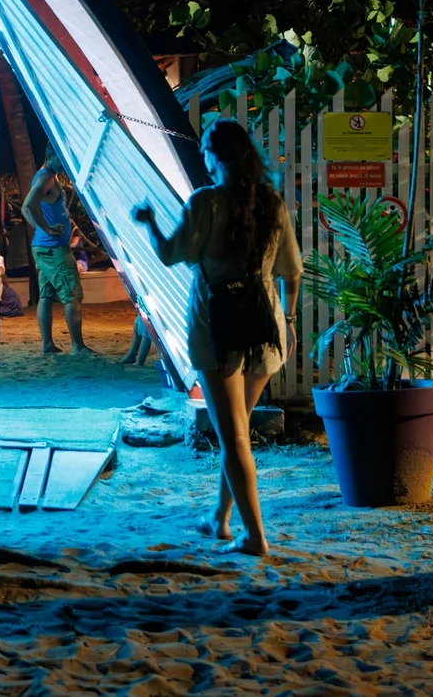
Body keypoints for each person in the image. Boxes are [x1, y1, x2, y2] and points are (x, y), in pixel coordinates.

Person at [133, 118, 301, 556]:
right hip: (264, 329)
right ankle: (221, 519)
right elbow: (293, 272)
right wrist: (291, 317)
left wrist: (150, 222)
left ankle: (255, 537)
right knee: (238, 429)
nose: (202, 159)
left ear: (214, 155)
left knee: (234, 438)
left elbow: (171, 254)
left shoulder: (205, 202)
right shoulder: (271, 203)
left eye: (205, 152)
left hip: (217, 332)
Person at [22, 153, 87, 354]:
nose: (64, 165)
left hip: (45, 247)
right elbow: (27, 206)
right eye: (61, 159)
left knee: (47, 295)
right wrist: (47, 229)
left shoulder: (48, 177)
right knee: (72, 296)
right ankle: (78, 346)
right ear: (49, 156)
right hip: (53, 249)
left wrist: (42, 228)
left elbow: (27, 210)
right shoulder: (45, 178)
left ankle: (48, 345)